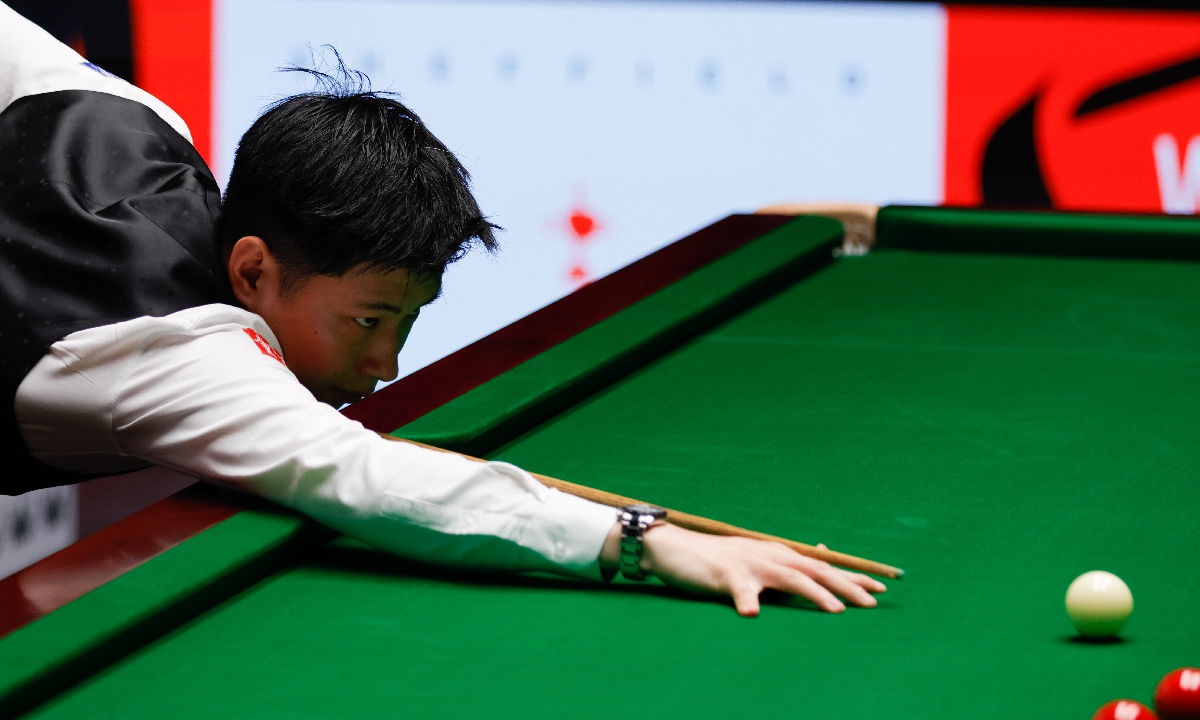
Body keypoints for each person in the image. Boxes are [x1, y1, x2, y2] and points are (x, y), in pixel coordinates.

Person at [0, 2, 885, 616]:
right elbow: (370, 480)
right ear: (253, 269)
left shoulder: (124, 116)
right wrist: (643, 540)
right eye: (367, 320)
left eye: (407, 321)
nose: (387, 365)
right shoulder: (176, 359)